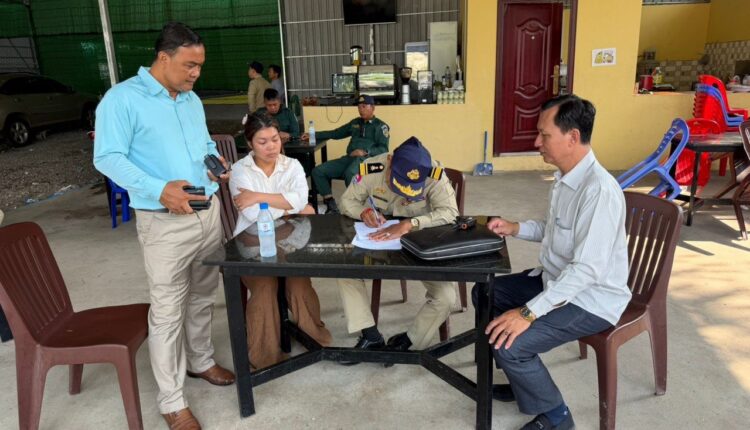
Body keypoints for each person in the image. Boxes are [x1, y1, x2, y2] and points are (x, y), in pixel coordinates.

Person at [93, 22, 235, 430]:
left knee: (203, 295)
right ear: (163, 57)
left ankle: (201, 361)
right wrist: (158, 189)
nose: (196, 74)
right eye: (190, 65)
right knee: (168, 310)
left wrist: (215, 163)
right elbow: (107, 157)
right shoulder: (122, 100)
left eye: (200, 66)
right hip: (164, 223)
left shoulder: (190, 99)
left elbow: (204, 143)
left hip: (207, 212)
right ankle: (172, 401)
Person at [473, 94, 631, 430]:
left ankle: (557, 417)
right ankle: (524, 380)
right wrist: (515, 228)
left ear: (572, 137)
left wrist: (527, 313)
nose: (536, 142)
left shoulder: (598, 191)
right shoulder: (565, 178)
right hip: (557, 281)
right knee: (484, 292)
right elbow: (555, 229)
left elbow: (586, 271)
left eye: (544, 135)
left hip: (591, 299)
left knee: (512, 345)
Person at [338, 137, 458, 362]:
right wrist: (363, 212)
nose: (404, 192)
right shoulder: (373, 168)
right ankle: (370, 335)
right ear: (390, 162)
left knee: (446, 297)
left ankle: (411, 342)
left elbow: (450, 213)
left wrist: (411, 224)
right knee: (345, 271)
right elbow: (347, 201)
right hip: (378, 239)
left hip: (419, 243)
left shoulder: (434, 174)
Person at [229, 113, 331, 369]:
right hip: (252, 245)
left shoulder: (292, 165)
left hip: (292, 240)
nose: (271, 146)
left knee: (299, 282)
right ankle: (265, 355)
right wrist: (291, 206)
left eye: (275, 139)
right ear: (250, 143)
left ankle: (315, 337)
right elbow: (254, 215)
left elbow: (301, 199)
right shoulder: (239, 170)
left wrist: (259, 197)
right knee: (264, 286)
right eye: (262, 142)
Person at [302, 95, 389, 214]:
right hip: (349, 158)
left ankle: (358, 205)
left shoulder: (380, 126)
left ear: (373, 108)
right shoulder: (355, 123)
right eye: (359, 107)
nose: (361, 109)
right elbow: (336, 133)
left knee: (350, 173)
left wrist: (365, 151)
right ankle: (331, 204)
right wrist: (313, 135)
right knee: (318, 171)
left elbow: (383, 149)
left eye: (364, 106)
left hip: (366, 160)